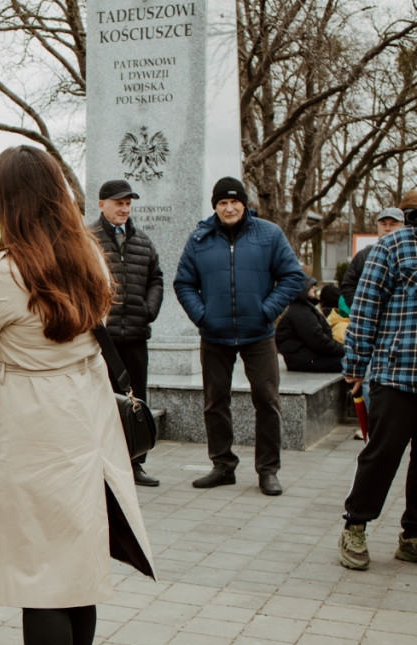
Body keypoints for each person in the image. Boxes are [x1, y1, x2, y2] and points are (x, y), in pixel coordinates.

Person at [0, 145, 154, 645]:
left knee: (40, 579)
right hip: (83, 416)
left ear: (8, 202)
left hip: (29, 427)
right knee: (75, 573)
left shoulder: (4, 270)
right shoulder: (88, 254)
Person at [174, 177, 305, 496]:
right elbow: (184, 283)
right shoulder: (199, 238)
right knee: (215, 401)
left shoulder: (269, 234)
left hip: (258, 333)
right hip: (215, 334)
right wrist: (203, 316)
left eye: (234, 202)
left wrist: (267, 310)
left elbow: (292, 277)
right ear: (215, 207)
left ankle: (268, 470)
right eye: (222, 203)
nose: (229, 208)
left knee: (267, 399)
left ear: (244, 204)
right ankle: (222, 465)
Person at [338, 207, 417, 571]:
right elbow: (366, 309)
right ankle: (355, 524)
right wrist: (355, 365)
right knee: (382, 454)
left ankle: (412, 535)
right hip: (397, 374)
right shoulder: (395, 245)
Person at [89, 178, 164, 486]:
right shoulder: (87, 239)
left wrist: (149, 309)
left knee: (134, 401)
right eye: (118, 203)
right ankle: (101, 464)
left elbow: (156, 279)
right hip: (100, 338)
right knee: (99, 401)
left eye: (128, 203)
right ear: (101, 204)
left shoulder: (143, 241)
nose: (124, 208)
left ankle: (135, 464)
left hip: (134, 334)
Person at [275, 276, 344, 372]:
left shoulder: (304, 308)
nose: (314, 288)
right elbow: (318, 340)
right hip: (305, 361)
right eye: (311, 285)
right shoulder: (300, 312)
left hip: (308, 358)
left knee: (355, 362)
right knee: (355, 364)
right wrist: (344, 349)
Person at [340, 208, 404, 309]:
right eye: (383, 224)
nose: (387, 228)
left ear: (402, 226)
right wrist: (359, 308)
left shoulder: (409, 255)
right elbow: (348, 285)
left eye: (393, 224)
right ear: (378, 226)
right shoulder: (363, 255)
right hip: (370, 318)